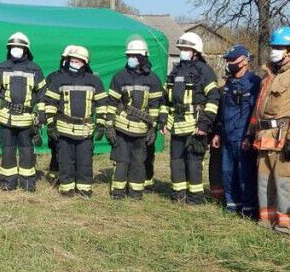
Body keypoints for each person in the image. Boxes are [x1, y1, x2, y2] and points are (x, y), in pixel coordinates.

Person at [245, 27, 290, 233]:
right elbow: (258, 110)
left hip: (284, 140)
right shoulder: (269, 76)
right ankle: (266, 220)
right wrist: (251, 132)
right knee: (264, 182)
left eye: (279, 47)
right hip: (264, 139)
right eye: (273, 47)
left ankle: (285, 225)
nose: (274, 51)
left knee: (285, 183)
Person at [43, 45, 109, 198]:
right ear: (67, 61)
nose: (75, 63)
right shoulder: (58, 80)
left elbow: (101, 104)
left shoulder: (94, 81)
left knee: (85, 161)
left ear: (85, 62)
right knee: (66, 161)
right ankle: (66, 188)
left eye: (78, 61)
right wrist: (51, 124)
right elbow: (50, 103)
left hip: (85, 130)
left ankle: (84, 188)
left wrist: (100, 124)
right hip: (64, 129)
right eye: (72, 60)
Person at [165, 32, 221, 204]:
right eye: (181, 48)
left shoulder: (205, 71)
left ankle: (195, 197)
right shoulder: (176, 70)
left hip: (196, 126)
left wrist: (204, 124)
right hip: (177, 125)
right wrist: (163, 120)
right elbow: (166, 99)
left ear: (195, 51)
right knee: (176, 162)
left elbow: (213, 98)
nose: (182, 51)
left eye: (186, 49)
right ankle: (178, 195)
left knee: (193, 162)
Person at [107, 39, 165, 200]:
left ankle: (135, 193)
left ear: (143, 57)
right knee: (121, 160)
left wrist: (153, 127)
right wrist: (109, 126)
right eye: (129, 55)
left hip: (141, 130)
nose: (131, 58)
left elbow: (155, 106)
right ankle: (118, 192)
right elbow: (111, 104)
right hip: (121, 128)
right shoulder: (119, 77)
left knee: (138, 162)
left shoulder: (153, 79)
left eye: (134, 55)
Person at [0, 32, 46, 191]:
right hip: (6, 118)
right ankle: (8, 183)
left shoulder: (35, 69)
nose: (16, 49)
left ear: (26, 49)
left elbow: (42, 95)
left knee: (27, 152)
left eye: (19, 47)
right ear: (9, 48)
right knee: (7, 151)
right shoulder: (2, 67)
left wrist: (42, 115)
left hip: (27, 120)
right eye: (13, 47)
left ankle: (28, 183)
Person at [212, 45, 261, 217]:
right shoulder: (228, 83)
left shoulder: (254, 83)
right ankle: (232, 205)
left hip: (243, 138)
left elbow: (256, 112)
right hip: (227, 136)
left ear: (244, 61)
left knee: (245, 174)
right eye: (228, 60)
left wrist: (249, 135)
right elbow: (222, 110)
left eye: (232, 60)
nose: (229, 63)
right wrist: (218, 132)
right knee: (227, 172)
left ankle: (248, 209)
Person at [43, 47, 73, 186]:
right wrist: (48, 121)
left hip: (76, 123)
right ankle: (55, 175)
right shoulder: (53, 77)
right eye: (67, 59)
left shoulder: (84, 78)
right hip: (56, 121)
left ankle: (72, 176)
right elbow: (46, 100)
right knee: (57, 149)